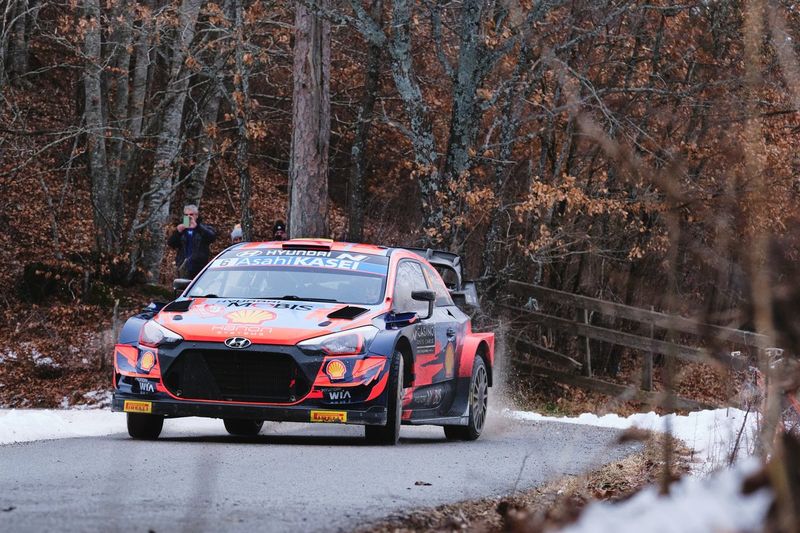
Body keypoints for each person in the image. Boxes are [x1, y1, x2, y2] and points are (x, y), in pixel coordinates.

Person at [167, 204, 217, 278]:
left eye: (191, 214)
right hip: (183, 266)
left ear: (196, 215)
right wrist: (178, 232)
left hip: (199, 267)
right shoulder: (182, 230)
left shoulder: (203, 228)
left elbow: (212, 237)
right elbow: (171, 244)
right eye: (186, 215)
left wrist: (197, 227)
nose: (188, 217)